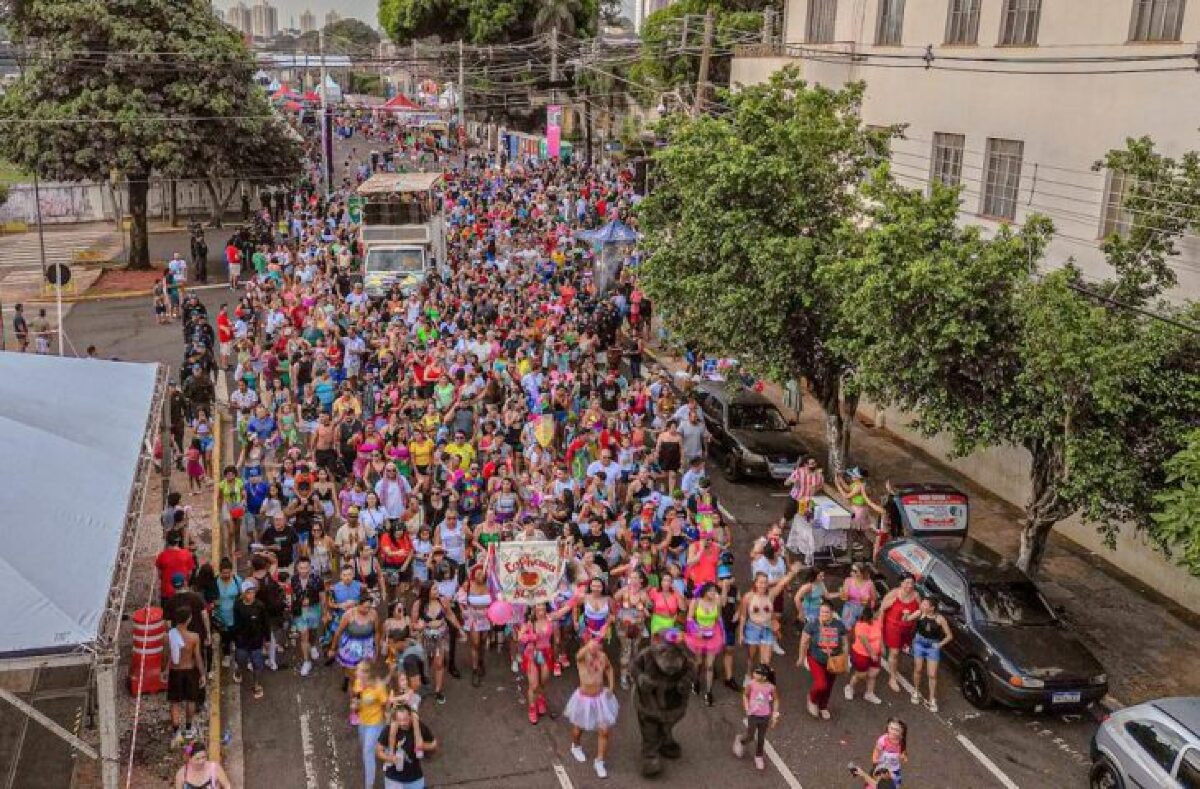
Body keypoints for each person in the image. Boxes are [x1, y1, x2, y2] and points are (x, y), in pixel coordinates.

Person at [563, 637, 617, 779]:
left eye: (597, 644)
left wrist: (611, 686)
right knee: (577, 730)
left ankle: (599, 761)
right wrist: (588, 646)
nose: (594, 647)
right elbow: (579, 654)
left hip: (600, 699)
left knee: (604, 731)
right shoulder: (582, 657)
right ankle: (576, 746)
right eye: (591, 644)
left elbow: (609, 668)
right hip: (583, 699)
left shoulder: (603, 656)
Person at [161, 607, 205, 747]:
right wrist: (202, 673)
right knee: (191, 700)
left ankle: (176, 732)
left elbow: (166, 656)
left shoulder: (168, 636)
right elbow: (197, 657)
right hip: (190, 670)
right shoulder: (194, 637)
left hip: (175, 671)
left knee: (175, 702)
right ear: (188, 619)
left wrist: (164, 670)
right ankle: (188, 728)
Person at [797, 601, 848, 720]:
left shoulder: (839, 625)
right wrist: (801, 657)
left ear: (832, 613)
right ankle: (812, 699)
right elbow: (804, 642)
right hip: (815, 659)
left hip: (833, 660)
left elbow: (845, 643)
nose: (823, 614)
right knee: (821, 684)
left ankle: (823, 706)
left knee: (829, 685)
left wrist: (846, 658)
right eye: (821, 612)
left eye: (826, 612)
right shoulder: (812, 624)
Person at [375, 704, 436, 789]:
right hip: (393, 778)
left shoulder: (419, 726)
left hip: (415, 777)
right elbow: (378, 751)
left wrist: (423, 746)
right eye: (399, 720)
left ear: (410, 716)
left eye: (405, 719)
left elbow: (434, 744)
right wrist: (390, 758)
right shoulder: (389, 729)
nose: (402, 723)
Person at [909, 595, 953, 711]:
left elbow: (949, 636)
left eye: (925, 604)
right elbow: (907, 619)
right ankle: (916, 691)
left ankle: (932, 698)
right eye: (922, 603)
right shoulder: (920, 613)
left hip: (932, 646)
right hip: (919, 643)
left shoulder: (940, 619)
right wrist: (905, 614)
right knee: (918, 669)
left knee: (932, 674)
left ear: (932, 608)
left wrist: (939, 645)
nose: (922, 605)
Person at [732, 663, 779, 771]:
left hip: (765, 716)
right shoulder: (751, 684)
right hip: (753, 715)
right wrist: (747, 706)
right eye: (755, 672)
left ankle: (759, 756)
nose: (754, 674)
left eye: (757, 673)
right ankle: (741, 740)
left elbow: (776, 700)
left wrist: (775, 715)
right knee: (750, 736)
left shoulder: (771, 687)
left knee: (761, 738)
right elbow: (745, 694)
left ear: (764, 676)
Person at [352, 659, 390, 789]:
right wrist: (354, 706)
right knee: (369, 748)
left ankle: (369, 785)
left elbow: (386, 704)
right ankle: (387, 752)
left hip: (375, 723)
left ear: (367, 674)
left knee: (367, 752)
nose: (356, 672)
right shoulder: (357, 683)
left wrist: (388, 720)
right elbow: (356, 701)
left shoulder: (379, 687)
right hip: (363, 722)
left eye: (358, 670)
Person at [879, 574, 920, 694]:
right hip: (893, 628)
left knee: (900, 651)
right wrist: (880, 629)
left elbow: (921, 609)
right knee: (894, 652)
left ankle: (894, 668)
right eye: (907, 583)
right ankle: (892, 678)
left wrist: (916, 616)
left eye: (912, 583)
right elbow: (882, 610)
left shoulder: (916, 595)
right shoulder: (894, 594)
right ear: (901, 583)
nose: (909, 585)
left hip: (908, 629)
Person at [231, 580, 268, 700]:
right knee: (241, 660)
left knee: (257, 664)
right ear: (243, 594)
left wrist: (266, 639)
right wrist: (235, 638)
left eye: (252, 592)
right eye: (248, 592)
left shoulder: (260, 606)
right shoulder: (238, 605)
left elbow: (265, 623)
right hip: (242, 641)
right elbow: (235, 623)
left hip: (256, 641)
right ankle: (239, 670)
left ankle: (256, 684)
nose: (251, 595)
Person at [291, 556, 325, 677]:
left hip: (314, 610)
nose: (303, 570)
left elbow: (322, 597)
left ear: (310, 568)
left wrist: (325, 613)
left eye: (306, 568)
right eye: (301, 568)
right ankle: (306, 661)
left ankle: (313, 645)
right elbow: (292, 595)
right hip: (299, 611)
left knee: (313, 632)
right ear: (297, 568)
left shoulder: (317, 580)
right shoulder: (293, 579)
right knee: (303, 635)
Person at [844, 606, 884, 705]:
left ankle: (869, 693)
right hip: (861, 654)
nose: (879, 613)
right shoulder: (861, 625)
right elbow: (864, 641)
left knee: (873, 673)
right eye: (878, 612)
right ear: (872, 614)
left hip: (875, 653)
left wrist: (882, 646)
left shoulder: (877, 621)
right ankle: (849, 687)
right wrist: (872, 653)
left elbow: (880, 634)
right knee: (861, 674)